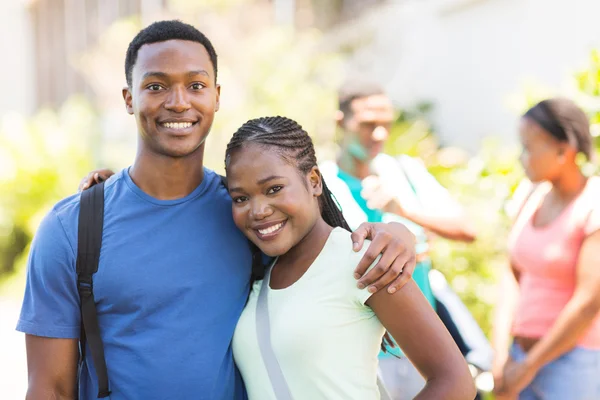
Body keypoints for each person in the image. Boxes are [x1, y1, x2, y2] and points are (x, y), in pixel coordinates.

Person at [17, 20, 419, 399]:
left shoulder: (247, 215)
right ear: (128, 98)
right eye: (156, 86)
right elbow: (48, 388)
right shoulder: (73, 228)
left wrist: (396, 233)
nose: (178, 102)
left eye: (195, 85)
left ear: (216, 97)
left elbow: (322, 252)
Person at [225, 115, 475, 399]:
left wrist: (400, 228)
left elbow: (454, 381)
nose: (258, 210)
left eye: (274, 189)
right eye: (241, 198)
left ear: (314, 181)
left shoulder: (363, 260)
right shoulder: (259, 273)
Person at [319, 80, 490, 399]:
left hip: (418, 349)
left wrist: (406, 212)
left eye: (386, 124)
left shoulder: (404, 172)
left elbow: (467, 229)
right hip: (362, 350)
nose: (380, 134)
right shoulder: (321, 182)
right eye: (369, 124)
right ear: (341, 123)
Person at [492, 98, 600, 400]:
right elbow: (512, 275)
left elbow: (588, 303)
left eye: (528, 148)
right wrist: (501, 354)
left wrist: (530, 366)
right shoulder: (530, 195)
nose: (521, 158)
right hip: (518, 355)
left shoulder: (593, 204)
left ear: (564, 151)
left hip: (571, 365)